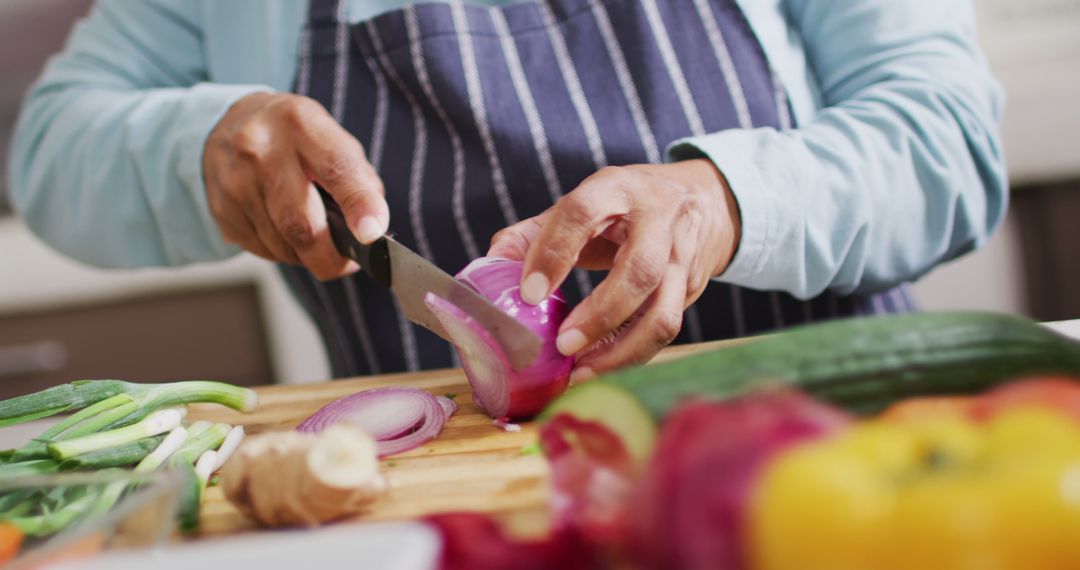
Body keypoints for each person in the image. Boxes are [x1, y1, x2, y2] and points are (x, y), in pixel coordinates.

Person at [9, 0, 1005, 381]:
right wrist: (198, 144)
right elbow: (48, 152)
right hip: (460, 504)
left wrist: (727, 202)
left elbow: (948, 142)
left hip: (829, 466)